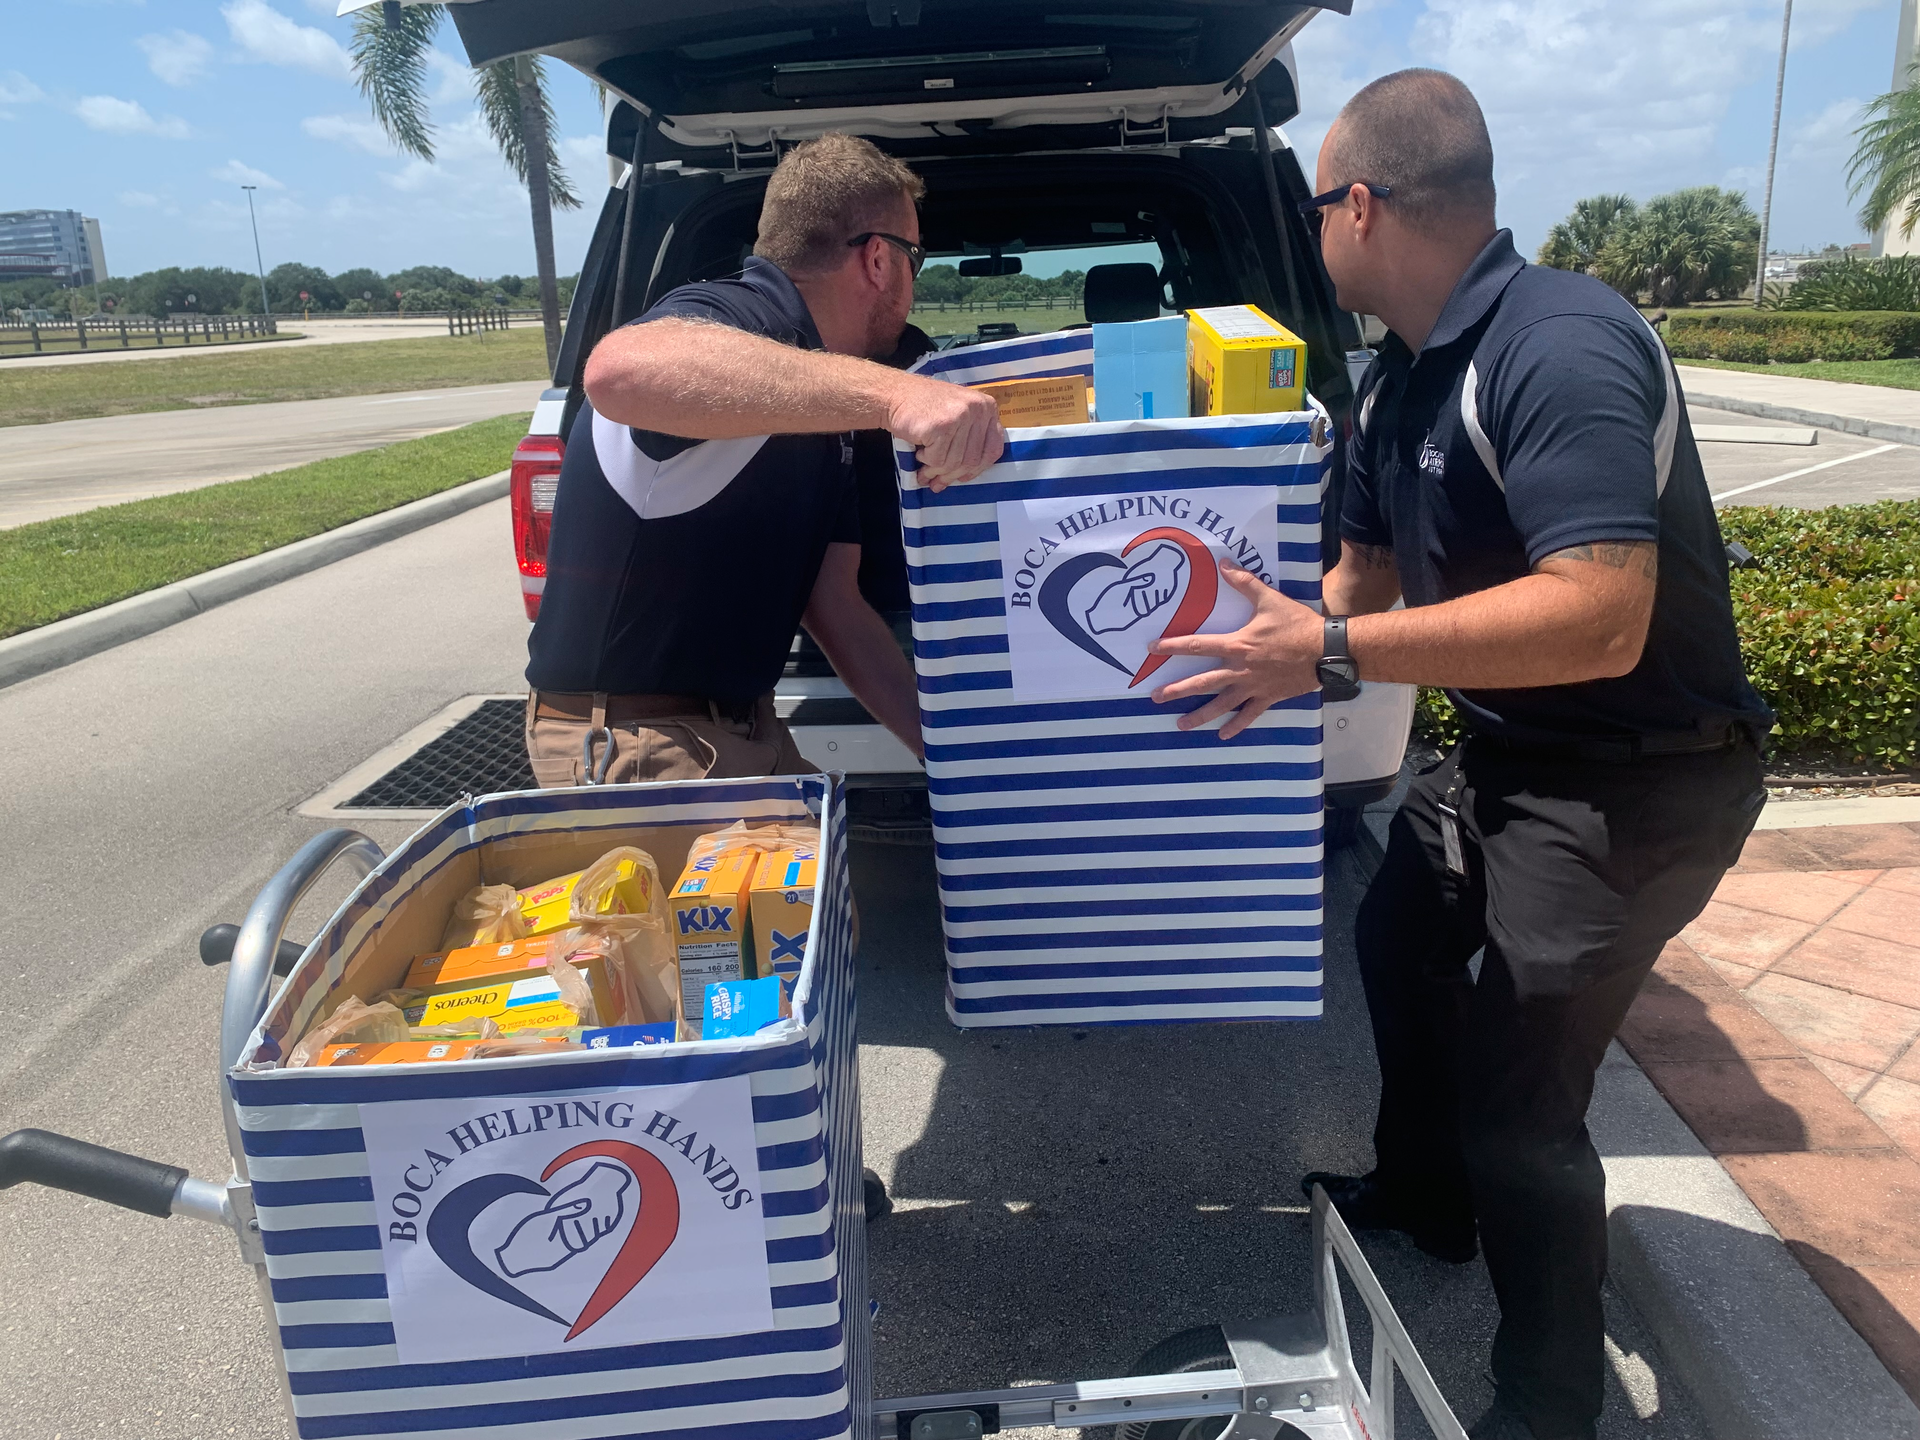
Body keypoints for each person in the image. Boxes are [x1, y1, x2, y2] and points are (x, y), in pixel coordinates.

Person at [1149, 71, 1773, 1440]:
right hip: (1509, 759)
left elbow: (1604, 613)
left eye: (1317, 206)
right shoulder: (1403, 375)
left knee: (1520, 1103)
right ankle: (1424, 1200)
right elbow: (1357, 576)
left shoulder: (1560, 347)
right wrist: (1223, 667)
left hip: (1640, 781)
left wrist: (1319, 659)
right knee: (1396, 935)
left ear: (1361, 205)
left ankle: (1545, 1402)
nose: (1314, 230)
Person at [524, 133, 1004, 786]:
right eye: (915, 257)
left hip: (740, 729)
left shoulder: (819, 396)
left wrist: (947, 752)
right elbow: (616, 370)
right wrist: (901, 393)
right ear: (878, 261)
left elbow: (833, 602)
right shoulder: (737, 316)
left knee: (833, 893)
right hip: (642, 743)